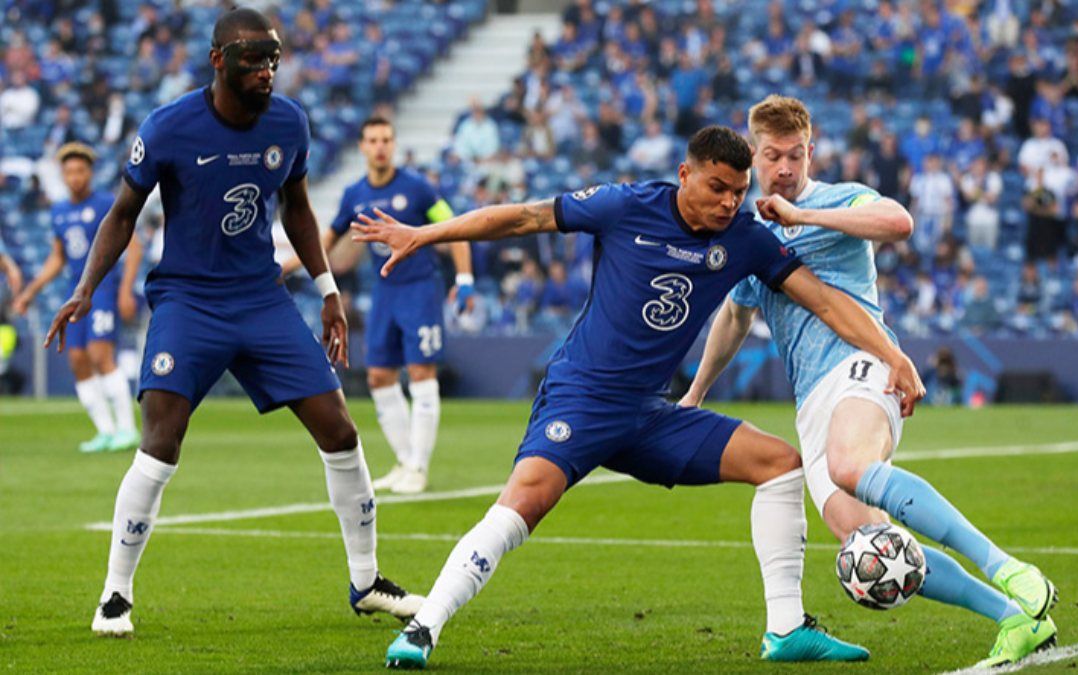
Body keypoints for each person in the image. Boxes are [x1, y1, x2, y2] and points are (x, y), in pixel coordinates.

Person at [354, 126, 926, 668]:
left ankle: (786, 629)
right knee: (525, 501)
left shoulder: (745, 238)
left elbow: (823, 300)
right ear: (685, 174)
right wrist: (425, 235)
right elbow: (524, 217)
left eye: (739, 191)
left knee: (780, 465)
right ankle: (423, 627)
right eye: (718, 188)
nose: (729, 202)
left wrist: (893, 355)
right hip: (583, 397)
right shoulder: (625, 206)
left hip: (648, 414)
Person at [42, 8, 422, 638]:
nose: (266, 70)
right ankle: (115, 594)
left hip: (261, 299)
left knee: (340, 430)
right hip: (188, 301)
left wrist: (327, 290)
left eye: (273, 58)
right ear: (218, 60)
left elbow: (297, 209)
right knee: (161, 439)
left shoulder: (289, 122)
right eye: (253, 59)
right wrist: (85, 288)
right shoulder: (168, 127)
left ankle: (366, 582)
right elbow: (123, 213)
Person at [682, 96, 1058, 669]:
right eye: (773, 156)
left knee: (849, 465)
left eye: (795, 154)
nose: (784, 167)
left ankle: (1008, 567)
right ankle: (1015, 619)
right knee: (873, 542)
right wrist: (696, 393)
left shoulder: (839, 199)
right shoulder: (751, 235)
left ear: (811, 151)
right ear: (754, 156)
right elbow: (735, 316)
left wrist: (802, 217)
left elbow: (898, 222)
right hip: (812, 400)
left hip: (865, 364)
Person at [283, 116, 472, 494]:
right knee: (379, 377)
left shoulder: (418, 188)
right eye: (373, 140)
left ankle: (418, 467)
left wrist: (465, 279)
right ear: (362, 147)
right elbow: (325, 241)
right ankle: (404, 461)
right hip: (385, 292)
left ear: (394, 144)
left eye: (386, 139)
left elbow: (454, 228)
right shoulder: (355, 194)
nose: (380, 146)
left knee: (421, 372)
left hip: (420, 289)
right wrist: (283, 268)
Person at [14, 142, 140, 453]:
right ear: (62, 174)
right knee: (78, 361)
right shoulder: (59, 211)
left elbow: (134, 246)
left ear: (90, 173)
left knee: (101, 355)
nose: (75, 177)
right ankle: (106, 431)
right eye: (69, 171)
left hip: (103, 290)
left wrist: (125, 289)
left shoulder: (106, 203)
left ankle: (127, 429)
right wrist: (31, 291)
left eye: (80, 171)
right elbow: (58, 258)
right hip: (74, 294)